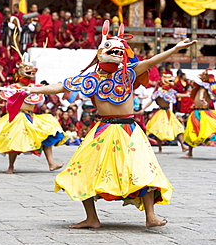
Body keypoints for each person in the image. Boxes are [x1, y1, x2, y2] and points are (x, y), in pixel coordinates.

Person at [25, 20, 196, 228]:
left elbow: (151, 62)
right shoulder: (90, 78)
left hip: (129, 129)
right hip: (103, 130)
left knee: (143, 170)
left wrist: (175, 49)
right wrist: (34, 90)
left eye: (119, 50)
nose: (116, 53)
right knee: (84, 170)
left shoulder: (129, 73)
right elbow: (61, 86)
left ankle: (151, 216)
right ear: (99, 53)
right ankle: (92, 218)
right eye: (110, 49)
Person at [0, 38, 67, 174]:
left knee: (48, 133)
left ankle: (51, 163)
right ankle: (10, 167)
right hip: (17, 118)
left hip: (32, 117)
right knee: (14, 142)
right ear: (19, 71)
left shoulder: (35, 87)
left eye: (32, 70)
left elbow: (47, 92)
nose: (31, 72)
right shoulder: (13, 88)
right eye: (27, 69)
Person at [141, 74, 189, 154]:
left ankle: (183, 146)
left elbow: (177, 95)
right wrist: (143, 108)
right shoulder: (159, 92)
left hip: (169, 112)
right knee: (159, 130)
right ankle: (160, 149)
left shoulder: (170, 92)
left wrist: (186, 95)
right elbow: (151, 101)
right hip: (161, 113)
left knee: (178, 128)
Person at [183, 70, 216, 157]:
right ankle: (189, 152)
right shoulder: (205, 87)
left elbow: (201, 95)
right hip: (197, 111)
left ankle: (190, 153)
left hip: (202, 112)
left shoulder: (204, 87)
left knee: (198, 131)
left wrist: (202, 99)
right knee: (192, 131)